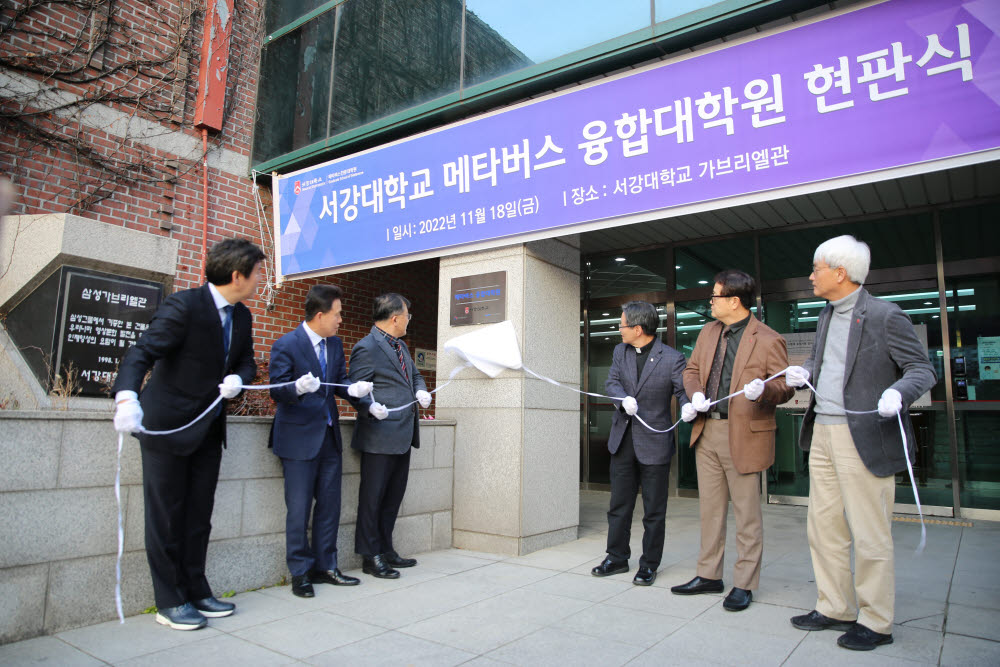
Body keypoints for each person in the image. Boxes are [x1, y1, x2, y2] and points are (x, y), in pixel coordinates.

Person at [785, 235, 936, 651]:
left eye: (816, 268)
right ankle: (834, 606)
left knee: (870, 534)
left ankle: (876, 620)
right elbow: (821, 360)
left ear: (840, 272)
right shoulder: (826, 315)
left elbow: (922, 369)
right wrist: (804, 371)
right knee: (824, 528)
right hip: (823, 433)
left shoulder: (885, 315)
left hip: (864, 435)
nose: (811, 275)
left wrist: (898, 393)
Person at [112, 238, 265, 630]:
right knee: (165, 517)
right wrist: (127, 397)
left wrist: (238, 378)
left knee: (199, 516)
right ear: (237, 275)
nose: (260, 279)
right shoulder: (184, 305)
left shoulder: (243, 316)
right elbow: (141, 352)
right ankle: (169, 600)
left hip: (209, 431)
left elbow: (247, 363)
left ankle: (196, 588)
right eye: (257, 272)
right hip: (166, 428)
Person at [670, 270, 794, 611]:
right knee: (710, 511)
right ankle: (709, 574)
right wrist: (694, 395)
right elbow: (691, 370)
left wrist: (764, 390)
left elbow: (785, 388)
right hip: (706, 429)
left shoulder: (768, 339)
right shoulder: (708, 332)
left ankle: (744, 583)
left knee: (746, 514)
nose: (710, 302)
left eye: (715, 296)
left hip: (745, 434)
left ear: (734, 301)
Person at [268, 285, 374, 598]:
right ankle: (300, 572)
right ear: (320, 315)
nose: (341, 320)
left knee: (330, 506)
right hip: (298, 439)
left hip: (329, 438)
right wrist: (296, 388)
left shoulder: (335, 344)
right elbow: (276, 390)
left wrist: (354, 390)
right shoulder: (286, 344)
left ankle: (327, 566)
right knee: (298, 509)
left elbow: (338, 381)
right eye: (338, 314)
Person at [591, 301, 689, 586]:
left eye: (622, 325)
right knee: (619, 504)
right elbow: (612, 383)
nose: (618, 330)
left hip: (655, 443)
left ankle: (649, 564)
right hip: (622, 441)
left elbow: (682, 391)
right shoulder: (619, 351)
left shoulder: (672, 358)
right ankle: (616, 557)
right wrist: (623, 400)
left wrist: (688, 406)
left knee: (654, 510)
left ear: (637, 328)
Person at [348, 293, 430, 579]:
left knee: (393, 497)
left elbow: (415, 376)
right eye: (407, 315)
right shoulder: (367, 347)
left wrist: (420, 389)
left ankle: (386, 548)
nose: (409, 319)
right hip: (379, 435)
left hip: (403, 434)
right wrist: (370, 407)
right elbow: (355, 390)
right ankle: (370, 556)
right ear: (395, 318)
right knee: (373, 498)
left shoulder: (401, 347)